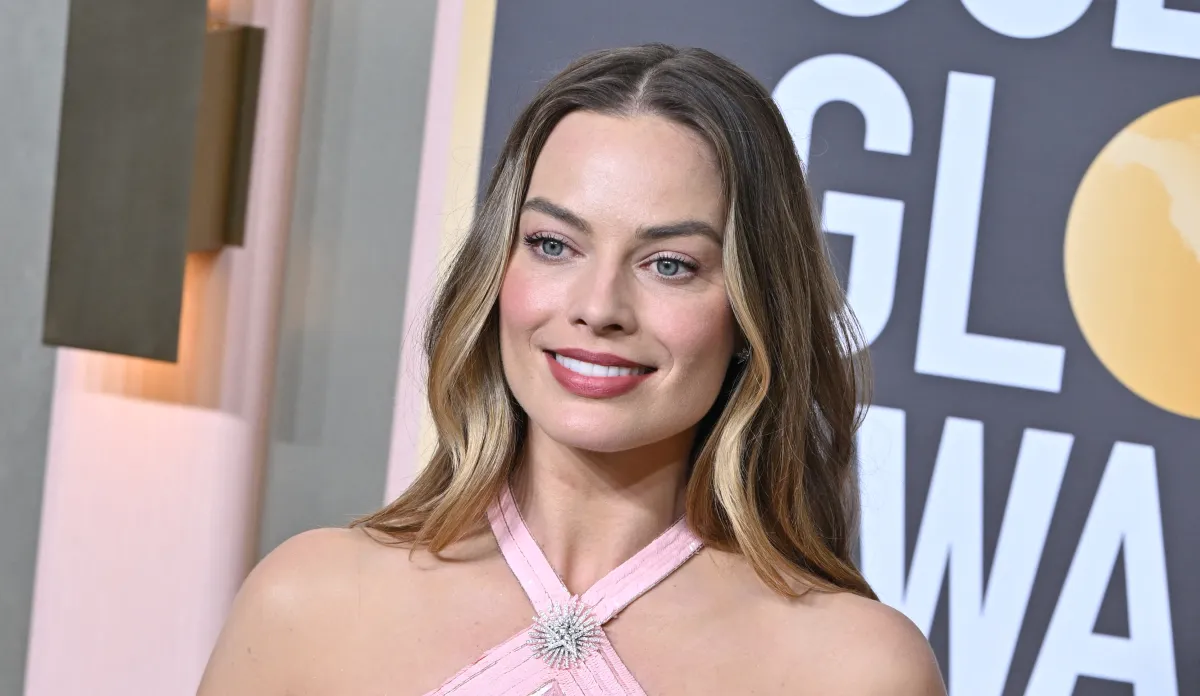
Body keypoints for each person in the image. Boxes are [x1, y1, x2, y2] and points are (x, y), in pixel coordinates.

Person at [198, 43, 946, 696]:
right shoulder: (307, 600)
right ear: (497, 269)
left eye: (670, 264)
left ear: (753, 314)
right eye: (555, 245)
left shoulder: (857, 669)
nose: (599, 307)